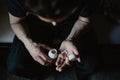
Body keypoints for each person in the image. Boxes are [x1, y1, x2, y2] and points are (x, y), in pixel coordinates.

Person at [7, 0, 98, 80]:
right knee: (14, 65)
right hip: (35, 22)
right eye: (49, 19)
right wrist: (29, 44)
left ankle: (79, 76)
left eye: (59, 16)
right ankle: (37, 75)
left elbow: (84, 20)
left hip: (74, 20)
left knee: (90, 63)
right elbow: (16, 22)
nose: (54, 23)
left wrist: (71, 39)